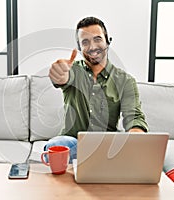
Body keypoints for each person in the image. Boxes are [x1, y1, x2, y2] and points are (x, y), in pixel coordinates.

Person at [45, 16, 149, 161]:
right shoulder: (73, 71)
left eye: (97, 39)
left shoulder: (125, 81)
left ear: (108, 41)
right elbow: (62, 78)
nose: (92, 47)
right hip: (74, 144)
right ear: (80, 48)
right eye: (85, 42)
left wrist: (135, 139)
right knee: (57, 146)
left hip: (108, 146)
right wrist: (59, 74)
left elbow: (134, 117)